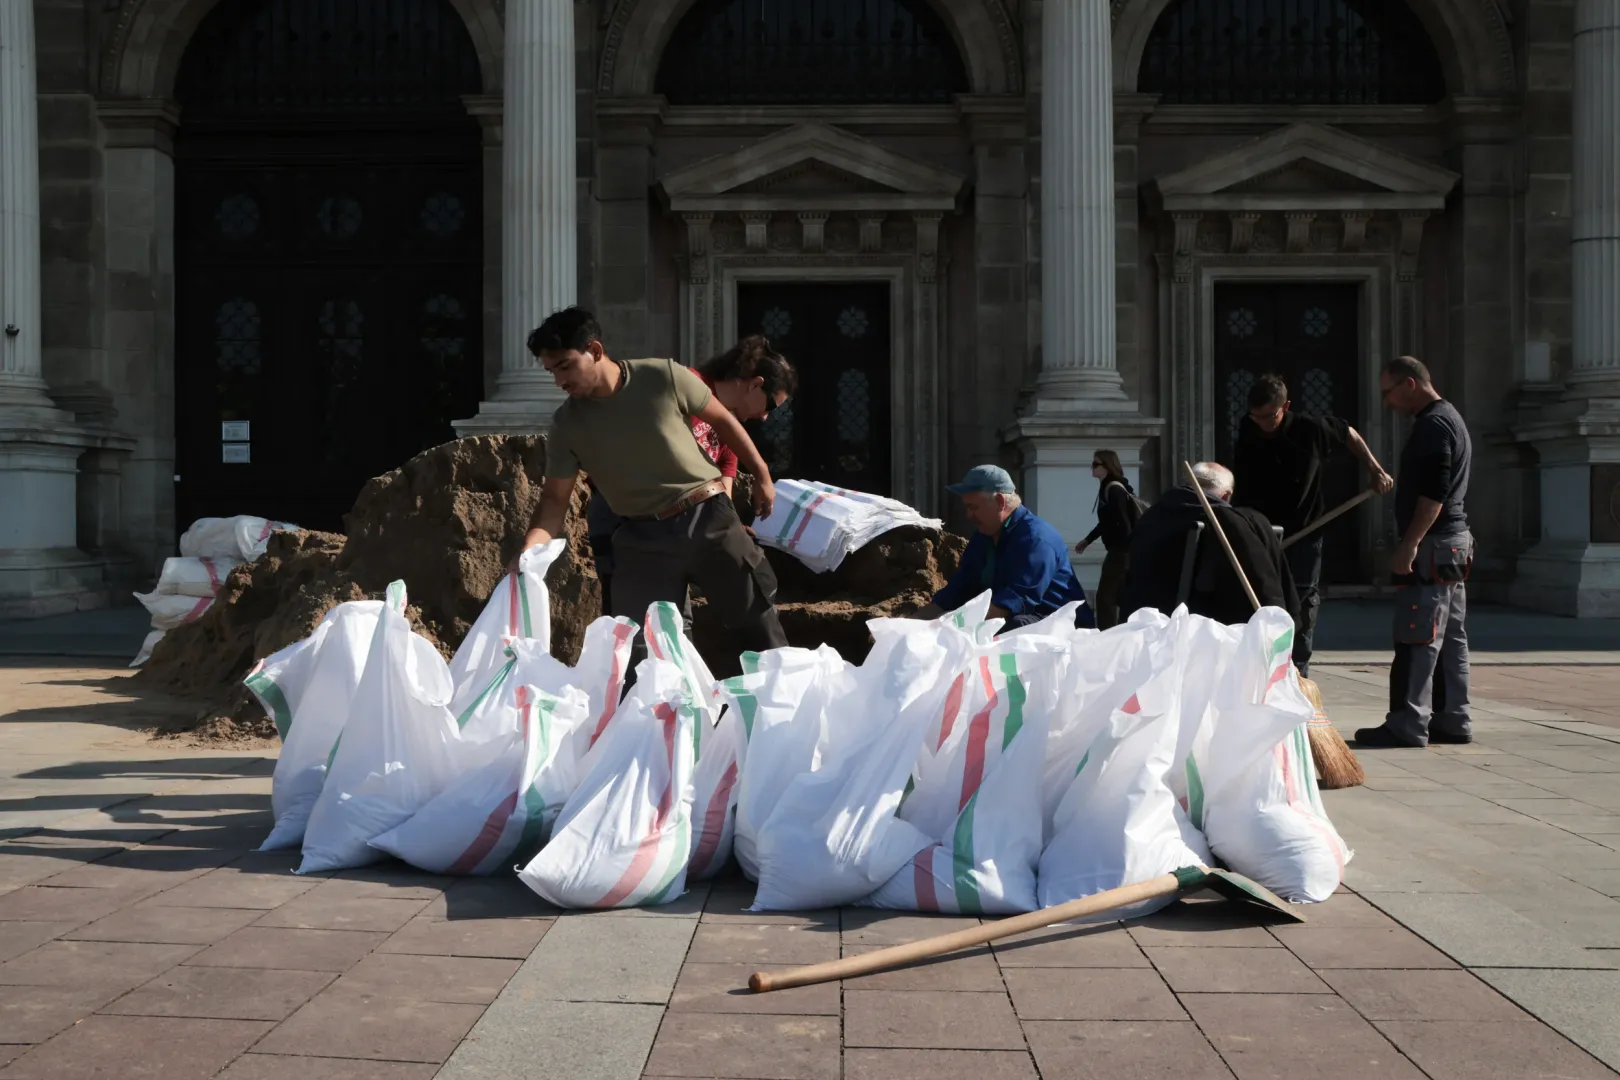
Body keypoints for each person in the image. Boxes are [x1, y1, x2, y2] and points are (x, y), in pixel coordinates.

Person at [515, 307, 790, 664]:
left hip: (708, 519)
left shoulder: (664, 376)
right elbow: (553, 502)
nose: (559, 381)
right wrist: (528, 552)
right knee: (647, 656)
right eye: (552, 371)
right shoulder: (566, 426)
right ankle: (674, 719)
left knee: (759, 628)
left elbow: (724, 422)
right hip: (640, 541)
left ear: (595, 350)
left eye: (565, 366)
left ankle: (784, 714)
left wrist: (762, 475)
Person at [585, 335, 796, 613]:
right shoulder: (686, 384)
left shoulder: (728, 426)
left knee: (675, 617)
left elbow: (724, 486)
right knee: (627, 617)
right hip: (625, 518)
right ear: (755, 384)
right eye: (770, 406)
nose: (765, 417)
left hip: (673, 527)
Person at [1233, 374, 1394, 675]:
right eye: (1256, 417)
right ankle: (1260, 666)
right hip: (1261, 530)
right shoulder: (1248, 428)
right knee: (1259, 596)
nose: (1263, 423)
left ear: (1286, 407)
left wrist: (1376, 470)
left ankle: (1298, 669)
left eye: (1270, 417)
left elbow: (1349, 433)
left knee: (1303, 597)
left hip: (1305, 529)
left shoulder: (1311, 429)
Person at [1355, 357, 1474, 749]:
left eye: (1388, 392)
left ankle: (1408, 722)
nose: (1387, 402)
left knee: (1417, 635)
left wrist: (1409, 543)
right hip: (1454, 542)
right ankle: (1453, 718)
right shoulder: (1450, 417)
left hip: (1434, 544)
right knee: (1451, 636)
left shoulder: (1433, 426)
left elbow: (1435, 492)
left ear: (1410, 384)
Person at [918, 465, 1095, 630]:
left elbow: (1012, 603)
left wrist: (947, 627)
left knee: (1011, 625)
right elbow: (959, 590)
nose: (968, 515)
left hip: (1063, 627)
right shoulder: (984, 537)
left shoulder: (1036, 539)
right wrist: (912, 626)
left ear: (1000, 502)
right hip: (1018, 619)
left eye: (973, 507)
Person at [1121, 462, 1297, 627]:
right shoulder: (1230, 521)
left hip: (1145, 617)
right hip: (1205, 621)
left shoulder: (1152, 516)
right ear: (1227, 495)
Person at [1074, 449, 1142, 629]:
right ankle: (1119, 631)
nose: (1092, 468)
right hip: (1121, 550)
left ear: (1108, 467)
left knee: (1106, 597)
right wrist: (1088, 540)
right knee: (1118, 595)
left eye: (1096, 464)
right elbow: (1107, 522)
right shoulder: (1108, 488)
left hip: (1121, 551)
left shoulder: (1114, 490)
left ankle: (1108, 635)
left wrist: (1127, 551)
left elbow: (1123, 522)